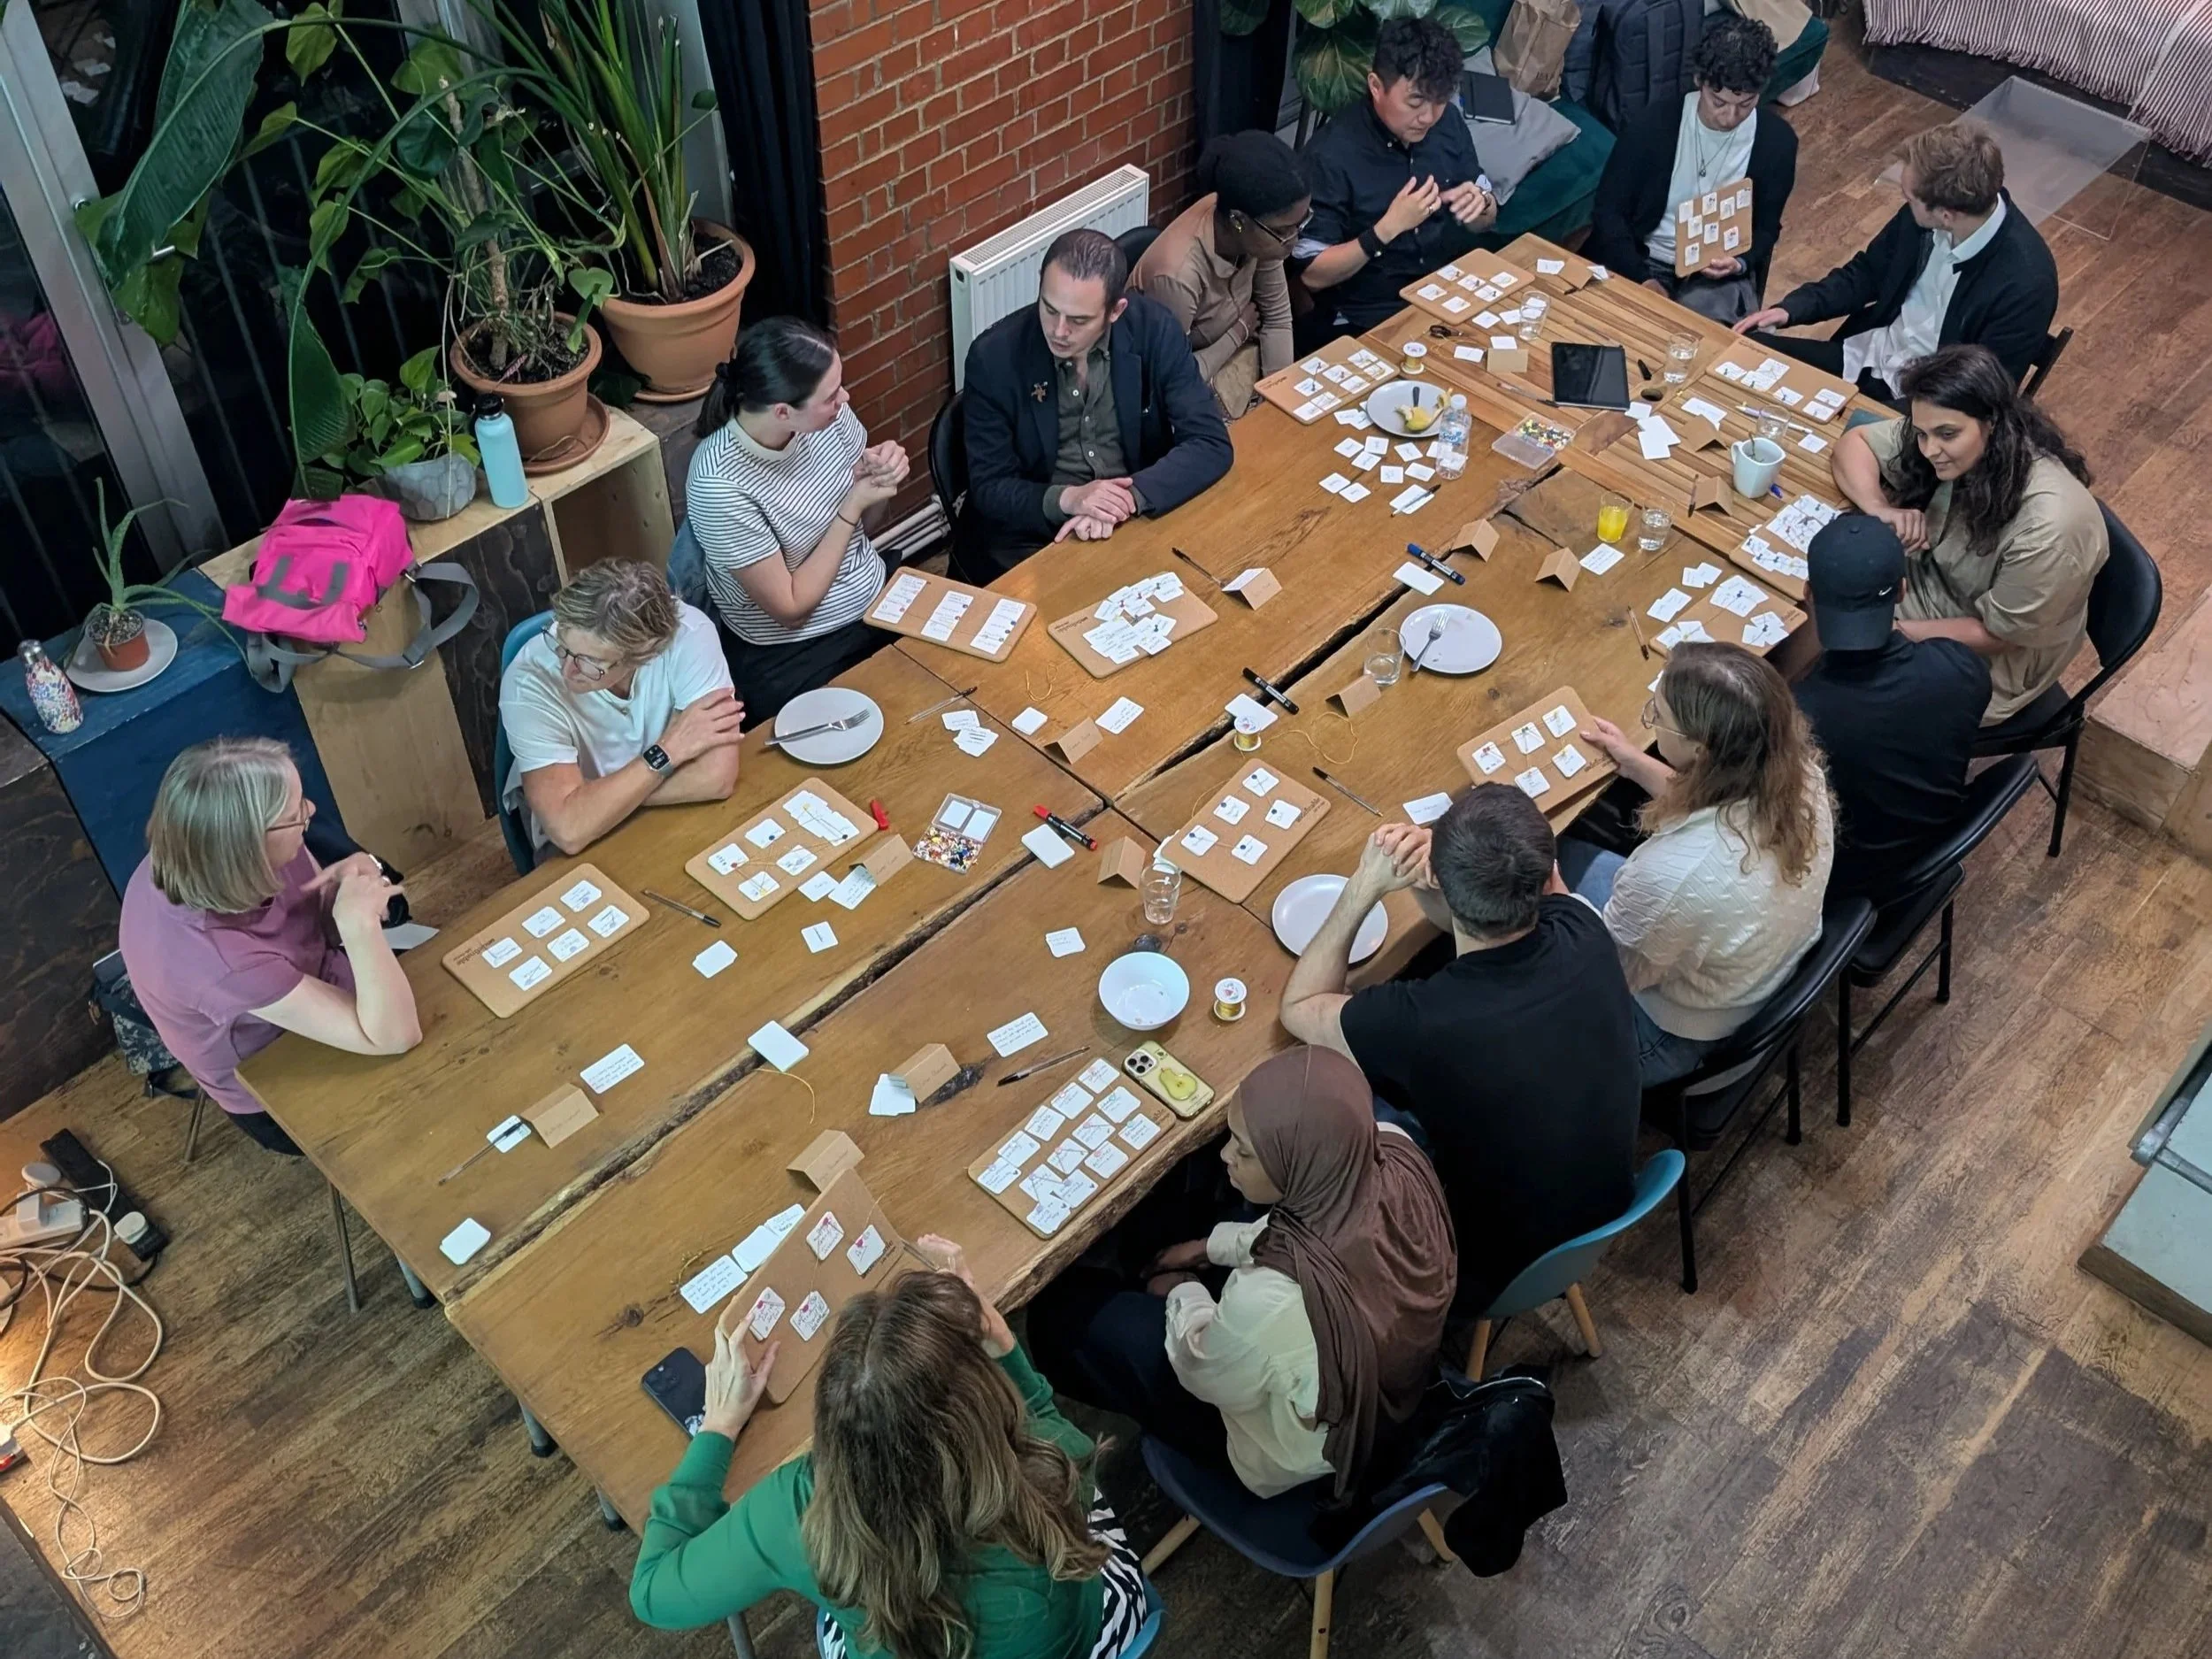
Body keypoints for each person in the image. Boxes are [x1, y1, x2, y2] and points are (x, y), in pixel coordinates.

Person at [629, 1241, 1151, 1659]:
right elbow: (1049, 1426)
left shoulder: (796, 1508)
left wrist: (717, 1426)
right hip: (1087, 1633)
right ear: (985, 1401)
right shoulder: (1055, 1471)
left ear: (832, 1423)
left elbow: (652, 1592)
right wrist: (1006, 1348)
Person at [1030, 1047, 1455, 1502]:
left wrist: (1184, 1291)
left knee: (1063, 1314)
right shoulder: (1393, 1146)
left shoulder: (1272, 1299)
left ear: (1297, 1163)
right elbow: (1309, 1228)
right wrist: (1208, 1247)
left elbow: (1200, 1368)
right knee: (1167, 1232)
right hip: (1389, 1377)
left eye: (1246, 1151)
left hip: (1295, 1452)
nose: (1226, 1154)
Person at [1278, 787, 1640, 1313]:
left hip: (1480, 1264)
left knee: (1311, 1095)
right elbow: (1510, 902)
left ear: (1448, 888)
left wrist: (1366, 885)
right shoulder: (1583, 929)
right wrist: (1455, 866)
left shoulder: (1425, 1020)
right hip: (1596, 1211)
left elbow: (1301, 1006)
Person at [118, 738, 421, 1154]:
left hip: (311, 981)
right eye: (296, 813)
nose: (311, 813)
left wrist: (363, 875)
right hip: (274, 1069)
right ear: (249, 846)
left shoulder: (205, 849)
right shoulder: (217, 959)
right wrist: (359, 925)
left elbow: (317, 926)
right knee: (429, 1082)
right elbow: (396, 1036)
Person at [1567, 643, 1834, 1085]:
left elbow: (1601, 980)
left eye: (1658, 715)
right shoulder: (1798, 774)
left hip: (1673, 1035)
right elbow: (1715, 803)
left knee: (1535, 891)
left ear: (1702, 750)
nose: (1650, 718)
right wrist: (1634, 761)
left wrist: (1549, 894)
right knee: (1573, 856)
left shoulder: (1672, 874)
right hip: (1754, 978)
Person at [1828, 343, 2107, 726]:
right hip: (1930, 588)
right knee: (1826, 584)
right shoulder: (1951, 434)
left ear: (1992, 422)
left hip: (1991, 660)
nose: (1929, 450)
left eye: (1945, 435)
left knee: (1841, 702)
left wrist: (1890, 631)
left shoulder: (2050, 528)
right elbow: (1855, 444)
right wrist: (1880, 508)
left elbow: (1999, 635)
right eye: (1922, 434)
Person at [954, 228, 1233, 583]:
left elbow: (1210, 442)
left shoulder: (1154, 330)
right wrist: (1070, 499)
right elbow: (990, 487)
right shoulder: (993, 358)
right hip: (1036, 539)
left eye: (1079, 320)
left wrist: (1124, 499)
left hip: (1133, 520)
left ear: (1116, 311)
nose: (1058, 330)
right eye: (1049, 308)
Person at [1735, 121, 2058, 402]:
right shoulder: (1928, 216)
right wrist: (1793, 308)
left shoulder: (2027, 284)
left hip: (1924, 405)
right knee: (1744, 356)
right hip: (1866, 358)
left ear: (1945, 215)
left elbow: (1977, 399)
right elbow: (1867, 274)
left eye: (1909, 198)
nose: (1904, 203)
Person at [686, 318, 909, 721]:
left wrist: (879, 483)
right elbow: (790, 608)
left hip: (875, 595)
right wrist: (851, 506)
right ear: (784, 412)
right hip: (793, 649)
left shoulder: (829, 420)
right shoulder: (719, 484)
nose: (845, 397)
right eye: (830, 396)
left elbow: (864, 529)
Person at [1794, 512, 1992, 897]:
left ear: (1809, 594)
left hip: (1840, 886)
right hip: (1929, 852)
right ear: (1902, 590)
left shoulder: (1797, 719)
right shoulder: (1962, 667)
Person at [499, 558, 742, 857]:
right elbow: (569, 829)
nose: (567, 671)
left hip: (667, 815)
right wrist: (670, 750)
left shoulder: (689, 634)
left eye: (590, 663)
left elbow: (716, 778)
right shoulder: (529, 681)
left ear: (643, 655)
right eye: (561, 645)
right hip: (578, 848)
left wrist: (600, 798)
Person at [1293, 17, 1497, 341]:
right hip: (1365, 316)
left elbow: (1485, 218)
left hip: (1444, 295)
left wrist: (1481, 205)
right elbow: (1311, 274)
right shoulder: (1330, 155)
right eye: (1415, 102)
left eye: (1439, 101)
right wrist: (1386, 229)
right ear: (1376, 87)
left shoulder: (1447, 125)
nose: (1428, 117)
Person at [1585, 15, 1797, 325]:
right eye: (1718, 102)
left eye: (1745, 104)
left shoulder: (1777, 144)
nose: (1729, 117)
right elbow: (1608, 212)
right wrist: (1642, 278)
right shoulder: (1652, 127)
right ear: (1700, 81)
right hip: (1646, 258)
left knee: (1711, 345)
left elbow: (1767, 228)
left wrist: (1739, 262)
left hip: (1716, 272)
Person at [1132, 130, 1308, 419]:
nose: (1294, 240)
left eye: (1300, 225)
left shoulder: (1261, 233)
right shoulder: (1178, 277)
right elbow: (1170, 381)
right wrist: (1237, 332)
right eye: (1283, 231)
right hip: (1170, 397)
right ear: (1238, 221)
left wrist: (1280, 405)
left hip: (1228, 372)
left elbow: (1276, 317)